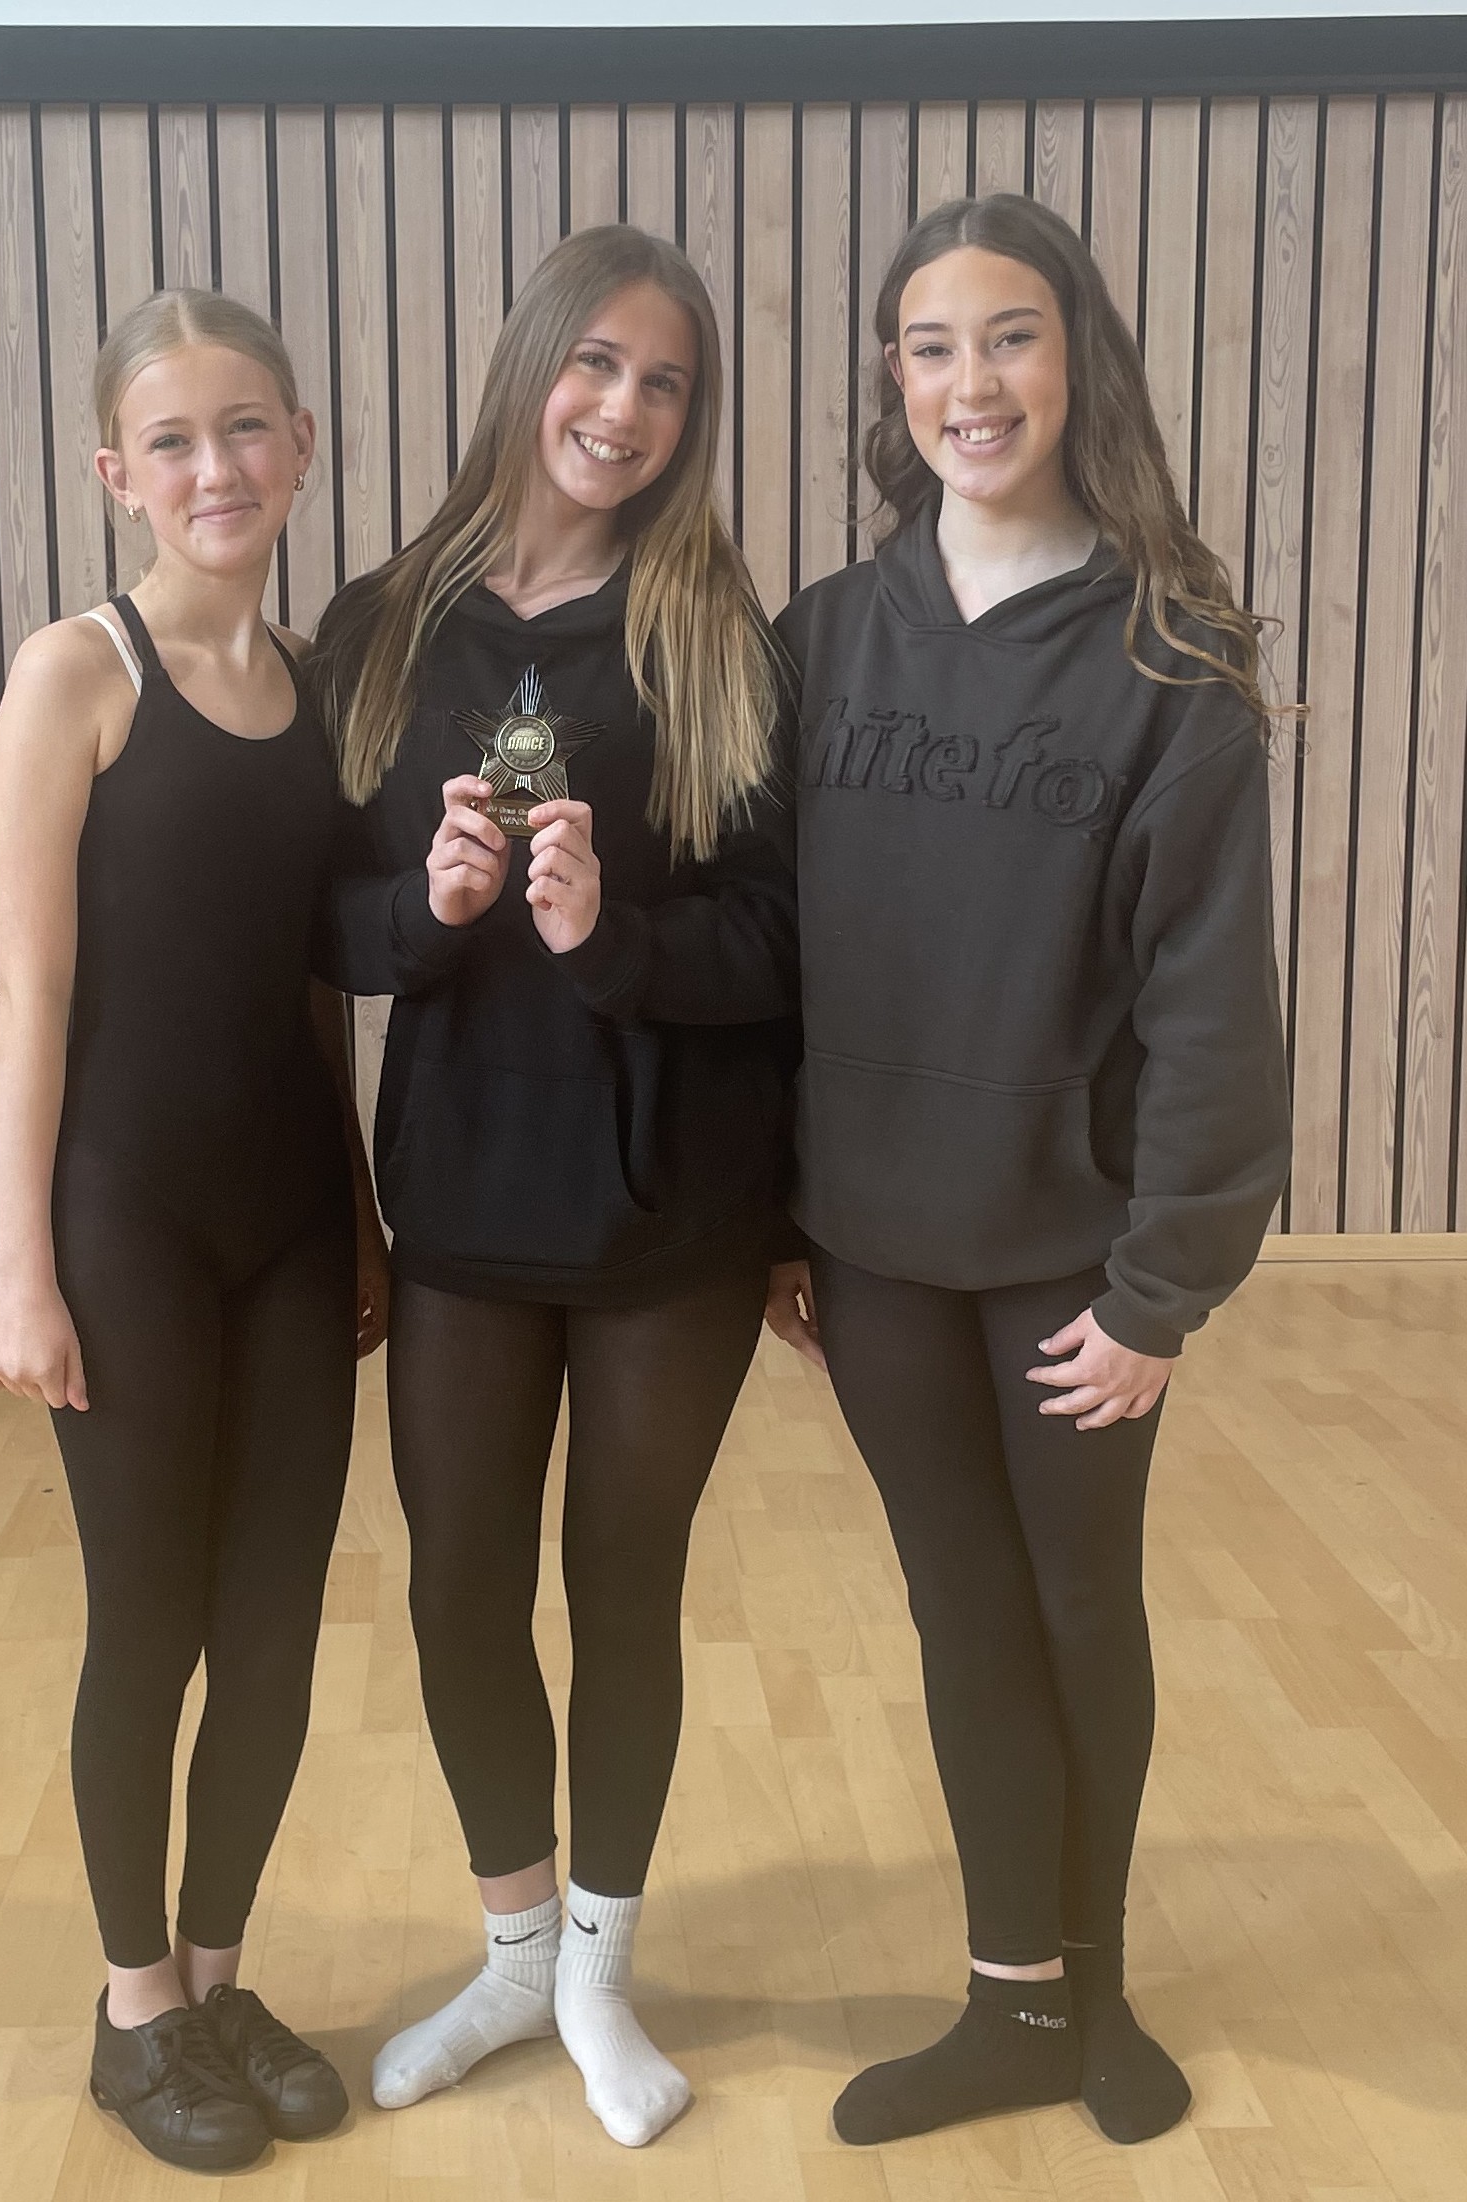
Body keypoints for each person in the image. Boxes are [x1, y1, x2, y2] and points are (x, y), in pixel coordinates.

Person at [765, 193, 1292, 2151]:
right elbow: (766, 955)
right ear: (890, 388)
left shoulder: (1167, 652)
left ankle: (1102, 1993)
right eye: (928, 346)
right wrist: (776, 1225)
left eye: (1005, 338)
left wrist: (1161, 1288)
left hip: (1071, 1262)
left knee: (1080, 1609)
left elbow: (1213, 1010)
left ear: (1072, 363)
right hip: (877, 1252)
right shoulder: (822, 638)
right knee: (957, 1611)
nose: (967, 382)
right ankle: (1003, 2001)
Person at [310, 223, 797, 2149]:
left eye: (666, 382)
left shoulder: (718, 637)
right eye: (597, 364)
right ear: (529, 368)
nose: (625, 409)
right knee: (454, 1593)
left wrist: (618, 940)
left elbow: (780, 941)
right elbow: (323, 922)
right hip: (467, 1200)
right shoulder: (382, 624)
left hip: (675, 1204)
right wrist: (423, 914)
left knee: (629, 1585)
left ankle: (598, 1962)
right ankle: (514, 1943)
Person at [0, 288, 386, 2174]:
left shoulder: (316, 688)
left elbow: (316, 992)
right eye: (172, 440)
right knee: (149, 1623)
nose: (214, 466)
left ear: (301, 445)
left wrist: (366, 1214)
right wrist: (17, 1270)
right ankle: (134, 2003)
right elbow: (29, 997)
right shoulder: (81, 676)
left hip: (295, 1226)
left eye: (248, 428)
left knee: (280, 1626)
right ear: (113, 472)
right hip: (127, 1225)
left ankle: (218, 1977)